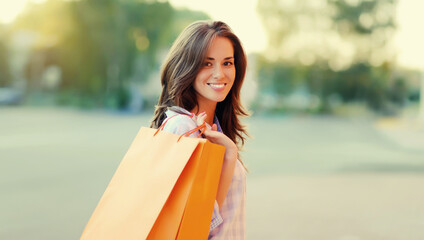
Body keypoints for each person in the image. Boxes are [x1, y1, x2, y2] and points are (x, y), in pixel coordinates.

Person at [150, 20, 249, 239]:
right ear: (187, 67)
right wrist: (229, 156)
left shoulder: (213, 129)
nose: (219, 74)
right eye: (207, 63)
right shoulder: (183, 129)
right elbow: (200, 225)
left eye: (227, 63)